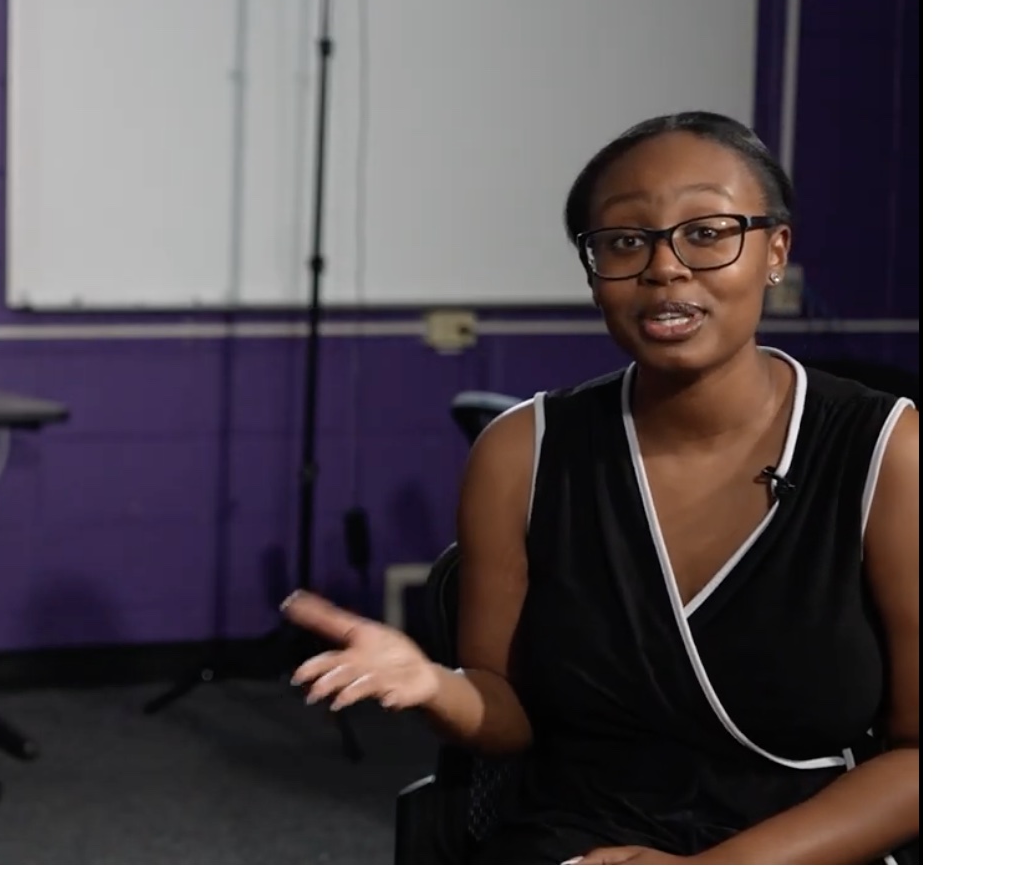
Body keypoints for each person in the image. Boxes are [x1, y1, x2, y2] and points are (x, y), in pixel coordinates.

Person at [284, 111, 920, 865]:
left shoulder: (889, 449)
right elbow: (509, 713)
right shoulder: (519, 452)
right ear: (593, 274)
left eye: (708, 231)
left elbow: (927, 754)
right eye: (624, 241)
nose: (665, 267)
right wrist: (435, 685)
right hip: (577, 843)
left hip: (798, 851)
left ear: (775, 249)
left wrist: (710, 876)